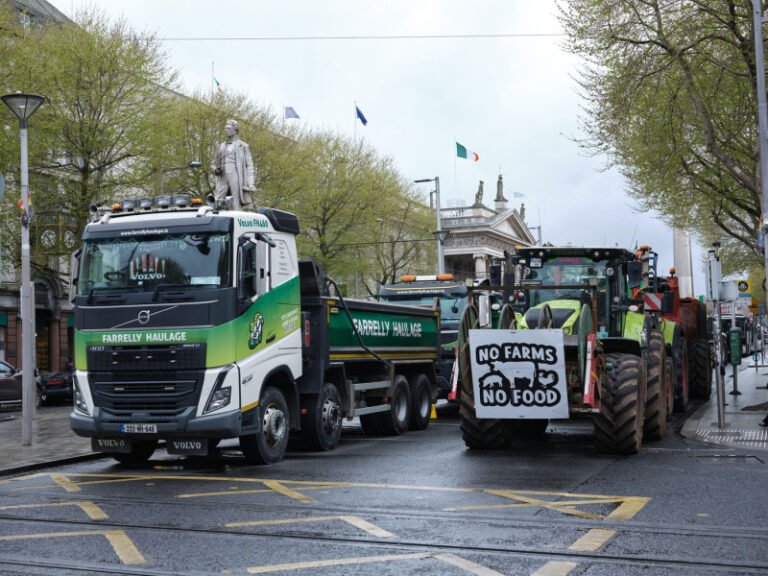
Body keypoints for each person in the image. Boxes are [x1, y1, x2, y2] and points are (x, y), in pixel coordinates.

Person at [211, 119, 256, 210]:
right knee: (217, 200)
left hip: (235, 174)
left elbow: (249, 166)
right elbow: (213, 163)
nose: (226, 130)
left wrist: (251, 184)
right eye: (225, 128)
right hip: (222, 176)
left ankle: (237, 218)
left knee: (236, 200)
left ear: (235, 130)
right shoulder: (221, 146)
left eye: (228, 128)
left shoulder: (243, 146)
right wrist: (215, 170)